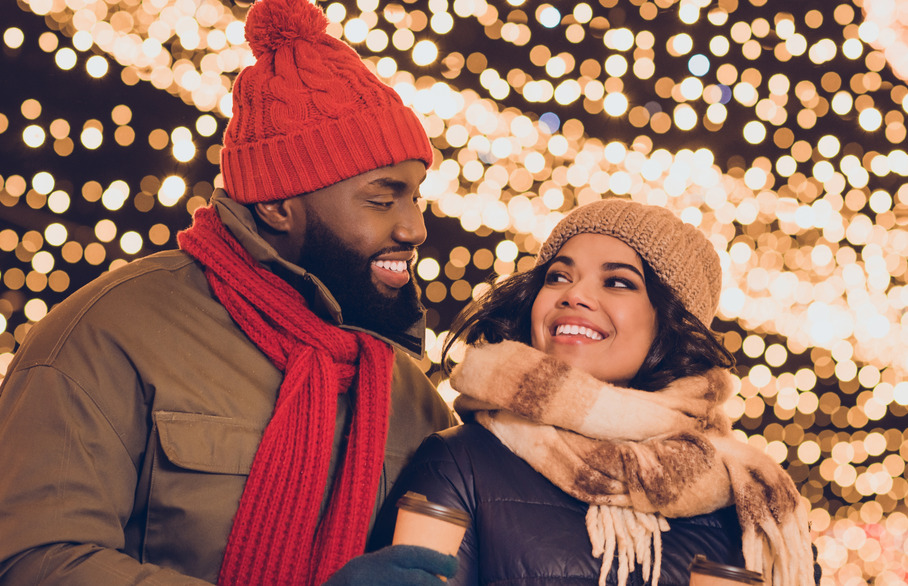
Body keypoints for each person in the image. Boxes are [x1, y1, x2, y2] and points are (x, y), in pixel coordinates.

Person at [0, 0, 458, 584]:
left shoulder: (409, 397)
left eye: (415, 196)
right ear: (276, 204)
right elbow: (34, 562)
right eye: (381, 197)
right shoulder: (110, 335)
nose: (414, 228)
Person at [372, 198, 819, 585]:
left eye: (618, 282)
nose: (574, 295)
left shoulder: (750, 501)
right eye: (557, 277)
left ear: (671, 321)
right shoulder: (460, 464)